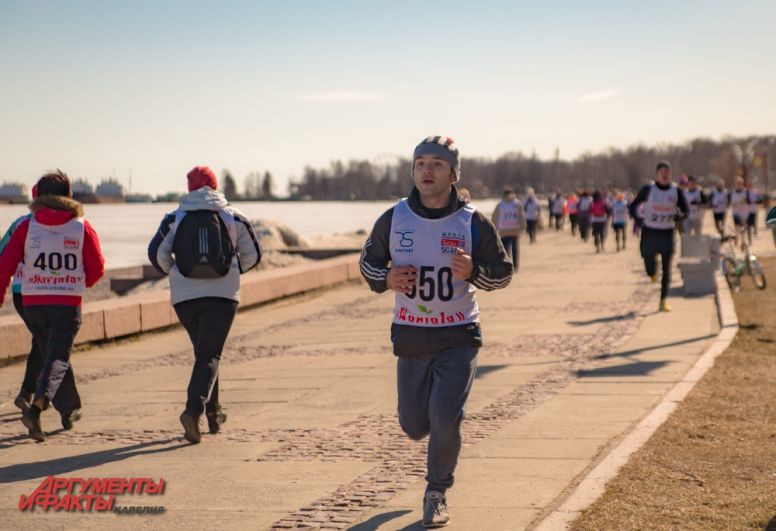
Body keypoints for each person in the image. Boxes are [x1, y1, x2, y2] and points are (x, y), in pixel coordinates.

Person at [359, 136, 513, 528]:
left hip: (458, 336)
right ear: (413, 171)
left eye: (437, 164)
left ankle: (436, 491)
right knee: (414, 425)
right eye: (421, 163)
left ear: (453, 174)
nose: (427, 170)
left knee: (446, 418)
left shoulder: (472, 222)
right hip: (411, 335)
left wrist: (473, 271)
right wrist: (388, 277)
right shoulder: (394, 218)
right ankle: (428, 429)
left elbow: (503, 273)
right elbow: (368, 264)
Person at [148, 166, 261, 444]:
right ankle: (193, 410)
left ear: (189, 188)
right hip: (223, 296)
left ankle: (214, 415)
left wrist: (176, 272)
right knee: (209, 354)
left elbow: (156, 254)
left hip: (185, 298)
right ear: (215, 186)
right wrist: (233, 271)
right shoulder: (232, 215)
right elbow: (253, 255)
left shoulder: (174, 217)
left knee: (206, 353)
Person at [0, 170, 105, 441]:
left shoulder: (27, 226)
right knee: (58, 355)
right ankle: (37, 406)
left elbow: (4, 266)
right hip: (66, 302)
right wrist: (81, 282)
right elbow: (97, 267)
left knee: (53, 349)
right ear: (68, 195)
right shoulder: (82, 226)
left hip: (33, 303)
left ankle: (70, 408)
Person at [0, 185, 45, 414]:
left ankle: (31, 395)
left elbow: (2, 251)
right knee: (46, 341)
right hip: (43, 291)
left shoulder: (20, 223)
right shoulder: (55, 225)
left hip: (20, 293)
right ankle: (35, 396)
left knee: (41, 340)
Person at [629, 161, 688, 312]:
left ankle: (663, 300)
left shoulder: (676, 191)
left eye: (667, 172)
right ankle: (652, 272)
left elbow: (685, 210)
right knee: (648, 260)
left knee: (667, 268)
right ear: (657, 174)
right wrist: (639, 220)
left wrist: (679, 216)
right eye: (662, 172)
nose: (665, 174)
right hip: (649, 232)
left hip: (667, 232)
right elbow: (633, 206)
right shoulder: (649, 189)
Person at [491, 187, 525, 271]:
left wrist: (493, 228)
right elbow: (521, 216)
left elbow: (495, 217)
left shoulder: (500, 204)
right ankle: (516, 266)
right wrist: (523, 226)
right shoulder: (517, 204)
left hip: (504, 230)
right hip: (515, 229)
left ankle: (507, 266)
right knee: (515, 248)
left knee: (505, 249)